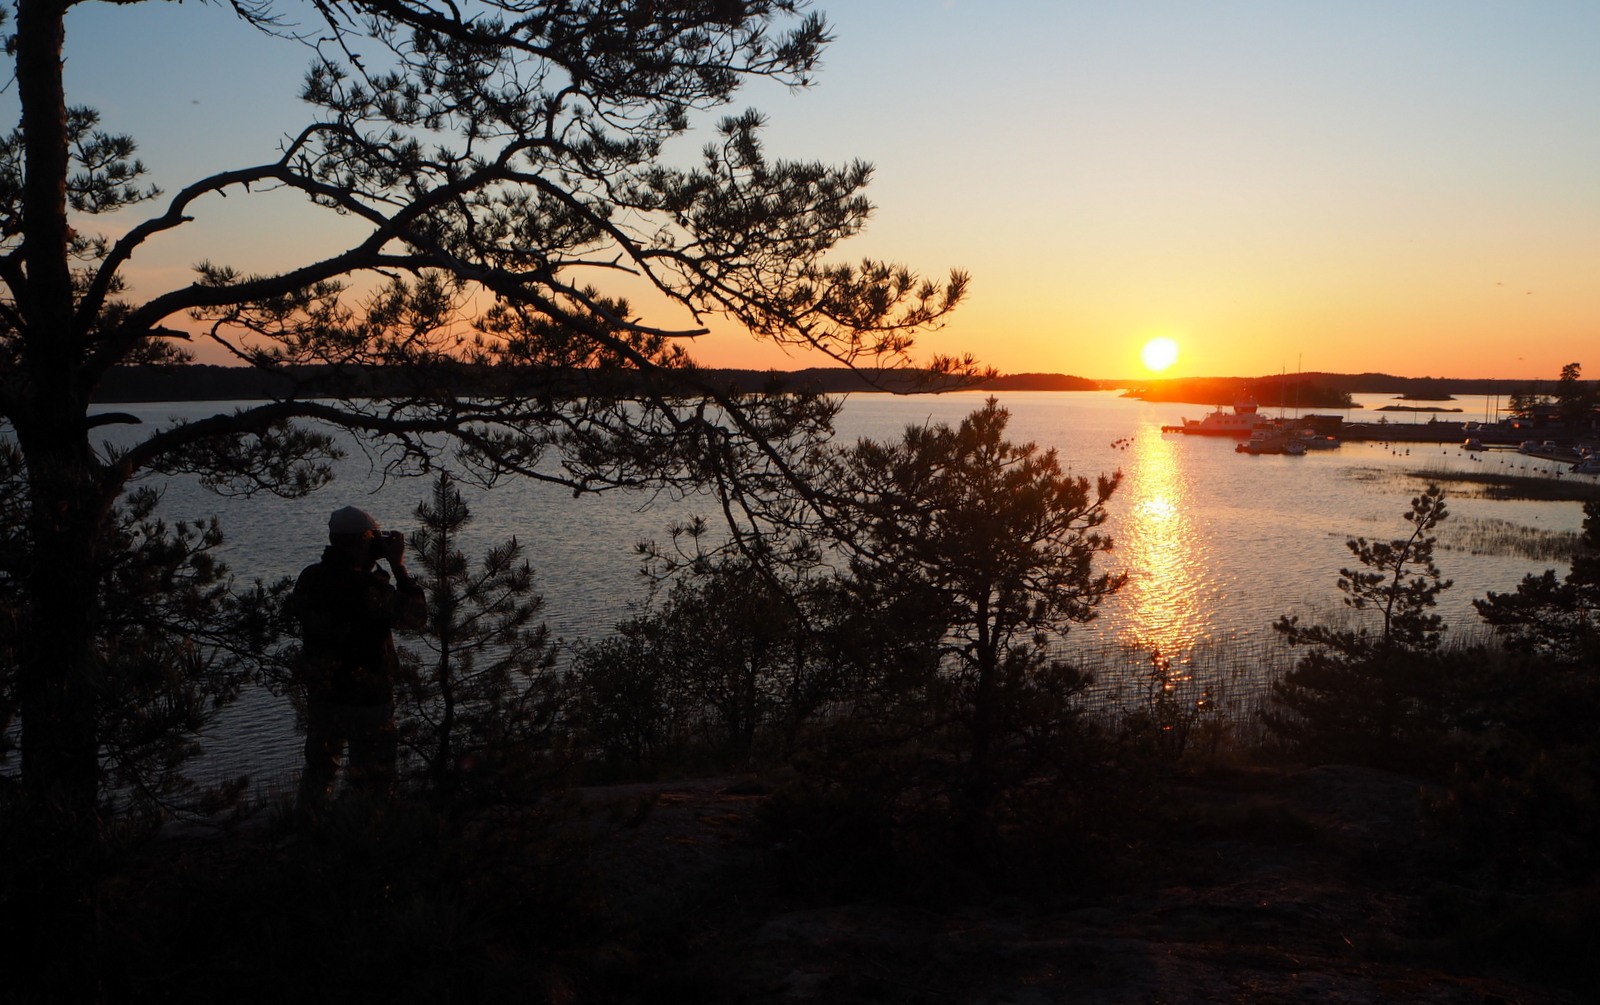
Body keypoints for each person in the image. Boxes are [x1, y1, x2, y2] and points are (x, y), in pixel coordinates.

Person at [291, 505, 426, 811]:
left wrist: (370, 565)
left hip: (324, 694)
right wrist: (398, 567)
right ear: (364, 540)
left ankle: (308, 832)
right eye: (373, 537)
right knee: (374, 781)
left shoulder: (310, 578)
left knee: (320, 772)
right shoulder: (369, 588)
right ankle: (366, 837)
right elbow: (416, 618)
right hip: (369, 697)